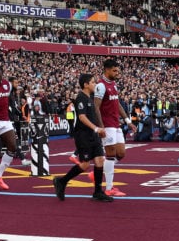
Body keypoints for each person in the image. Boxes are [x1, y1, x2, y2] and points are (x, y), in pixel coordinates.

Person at [53, 73, 112, 202]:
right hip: (83, 135)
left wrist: (98, 129)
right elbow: (82, 117)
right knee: (85, 165)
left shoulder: (89, 98)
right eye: (92, 82)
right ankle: (62, 181)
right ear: (85, 85)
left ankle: (97, 192)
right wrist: (96, 128)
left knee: (99, 160)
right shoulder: (81, 98)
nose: (95, 84)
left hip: (93, 135)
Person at [93, 59, 132, 197]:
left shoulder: (114, 84)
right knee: (110, 155)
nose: (117, 73)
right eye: (114, 71)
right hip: (107, 124)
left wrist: (127, 120)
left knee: (121, 153)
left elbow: (118, 103)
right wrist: (101, 127)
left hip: (116, 124)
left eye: (118, 71)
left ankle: (99, 170)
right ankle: (109, 188)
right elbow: (96, 106)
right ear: (107, 70)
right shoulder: (101, 86)